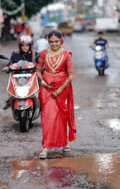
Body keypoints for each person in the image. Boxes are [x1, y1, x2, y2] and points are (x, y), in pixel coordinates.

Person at [36, 30, 76, 159]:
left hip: (61, 88)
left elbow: (71, 76)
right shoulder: (43, 53)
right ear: (48, 42)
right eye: (51, 42)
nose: (54, 44)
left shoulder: (66, 55)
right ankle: (45, 147)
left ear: (61, 41)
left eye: (56, 41)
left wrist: (59, 90)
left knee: (61, 116)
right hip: (46, 88)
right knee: (47, 117)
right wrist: (43, 82)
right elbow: (38, 71)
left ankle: (64, 143)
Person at [2, 35, 36, 110]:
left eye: (27, 45)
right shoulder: (15, 54)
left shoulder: (34, 54)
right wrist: (7, 68)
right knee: (13, 89)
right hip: (17, 77)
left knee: (39, 91)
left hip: (31, 77)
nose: (25, 47)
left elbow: (39, 63)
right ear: (19, 46)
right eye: (23, 45)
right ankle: (10, 101)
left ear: (30, 46)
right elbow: (10, 64)